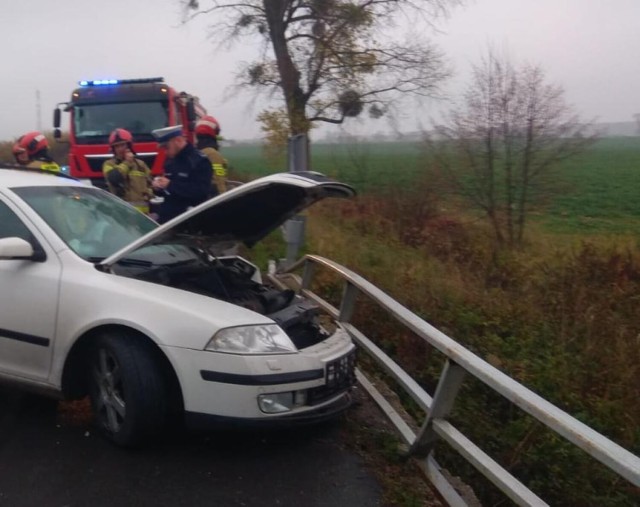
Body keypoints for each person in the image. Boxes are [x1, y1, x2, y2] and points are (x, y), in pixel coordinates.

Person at [151, 125, 212, 223]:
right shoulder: (171, 161)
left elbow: (201, 192)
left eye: (166, 147)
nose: (165, 152)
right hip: (168, 220)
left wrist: (169, 185)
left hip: (189, 221)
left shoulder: (199, 161)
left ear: (178, 141)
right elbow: (170, 192)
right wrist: (159, 187)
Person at [102, 128, 153, 213]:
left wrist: (149, 194)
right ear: (113, 149)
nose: (120, 149)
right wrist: (127, 163)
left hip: (143, 216)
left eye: (122, 145)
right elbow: (114, 178)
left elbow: (150, 184)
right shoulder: (109, 164)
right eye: (117, 146)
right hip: (122, 215)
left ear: (129, 146)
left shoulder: (141, 164)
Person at [195, 115, 228, 194]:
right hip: (213, 196)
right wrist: (224, 197)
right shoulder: (213, 154)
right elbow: (219, 177)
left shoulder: (195, 153)